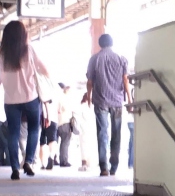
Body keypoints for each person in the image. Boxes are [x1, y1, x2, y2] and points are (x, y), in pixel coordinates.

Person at [0, 20, 47, 181]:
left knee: (13, 133)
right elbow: (43, 69)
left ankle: (15, 168)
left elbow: (0, 78)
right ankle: (28, 161)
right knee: (34, 129)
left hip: (11, 100)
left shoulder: (1, 55)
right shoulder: (28, 50)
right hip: (31, 97)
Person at [83, 33, 131, 177]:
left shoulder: (94, 59)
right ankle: (114, 167)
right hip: (117, 101)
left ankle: (104, 167)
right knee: (116, 134)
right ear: (112, 43)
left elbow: (90, 81)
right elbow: (125, 80)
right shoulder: (121, 59)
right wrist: (129, 99)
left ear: (100, 44)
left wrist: (89, 96)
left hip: (101, 100)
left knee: (102, 133)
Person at [55, 82, 77, 167]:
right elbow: (69, 109)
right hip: (64, 122)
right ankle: (63, 161)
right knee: (65, 142)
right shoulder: (63, 98)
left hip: (56, 123)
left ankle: (53, 159)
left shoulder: (55, 98)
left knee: (55, 142)